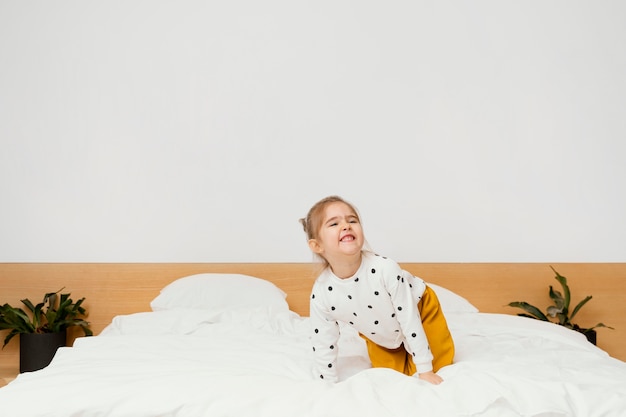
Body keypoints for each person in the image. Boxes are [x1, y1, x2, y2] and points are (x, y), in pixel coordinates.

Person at [300, 195, 455, 384]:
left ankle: (420, 356)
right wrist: (327, 383)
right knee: (391, 378)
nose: (346, 226)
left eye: (352, 220)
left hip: (420, 312)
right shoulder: (322, 293)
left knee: (435, 367)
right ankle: (403, 353)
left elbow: (409, 318)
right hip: (380, 332)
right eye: (333, 224)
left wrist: (425, 370)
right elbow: (323, 341)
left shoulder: (385, 269)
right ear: (317, 245)